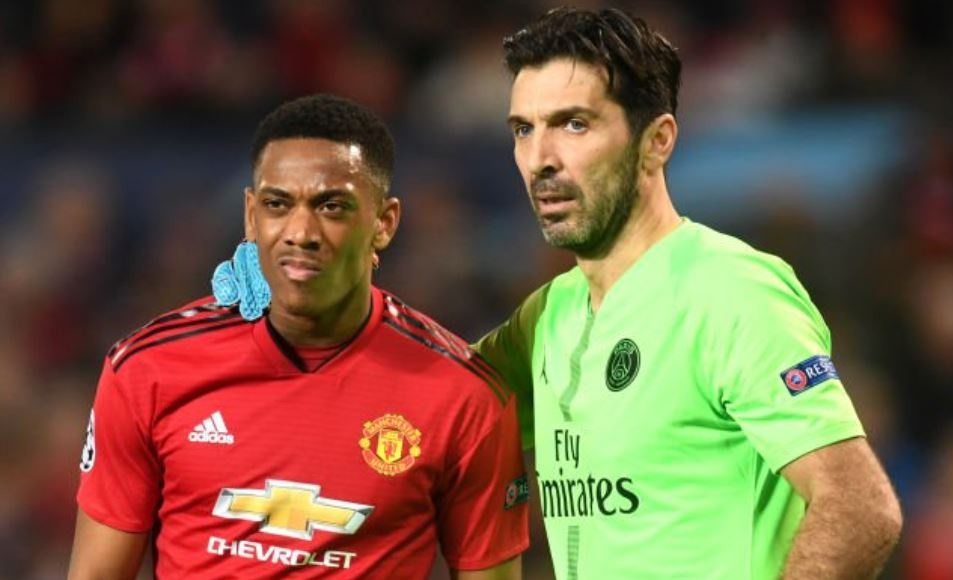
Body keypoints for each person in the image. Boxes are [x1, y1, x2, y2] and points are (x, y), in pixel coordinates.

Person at [474, 7, 902, 579]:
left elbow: (859, 508)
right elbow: (428, 411)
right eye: (523, 129)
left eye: (574, 124)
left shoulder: (729, 290)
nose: (540, 160)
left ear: (656, 141)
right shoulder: (546, 315)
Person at [68, 94, 529, 579]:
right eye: (277, 204)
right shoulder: (146, 370)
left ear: (384, 223)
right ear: (251, 216)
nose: (301, 232)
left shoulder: (465, 396)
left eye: (331, 207)